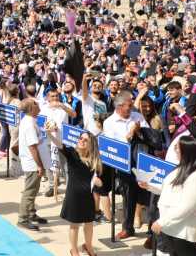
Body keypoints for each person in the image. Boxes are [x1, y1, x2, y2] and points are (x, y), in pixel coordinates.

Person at [46, 123, 103, 256]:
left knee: (89, 223)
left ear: (91, 145)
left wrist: (98, 182)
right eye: (80, 138)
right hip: (74, 196)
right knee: (74, 225)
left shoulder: (94, 160)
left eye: (85, 140)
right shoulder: (72, 153)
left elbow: (98, 180)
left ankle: (88, 246)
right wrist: (49, 134)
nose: (81, 141)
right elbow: (59, 144)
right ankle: (74, 250)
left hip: (87, 196)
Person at [145, 136, 196, 256]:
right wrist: (149, 186)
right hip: (170, 228)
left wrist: (162, 222)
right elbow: (168, 190)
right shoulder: (178, 169)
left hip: (182, 231)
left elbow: (186, 207)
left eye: (177, 147)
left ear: (186, 151)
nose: (174, 149)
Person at [102, 91, 148, 239]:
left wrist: (140, 131)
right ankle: (127, 228)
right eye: (129, 104)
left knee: (147, 196)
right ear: (120, 106)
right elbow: (114, 147)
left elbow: (149, 135)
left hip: (142, 163)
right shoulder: (109, 122)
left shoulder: (137, 116)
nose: (132, 107)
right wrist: (130, 133)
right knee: (128, 197)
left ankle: (151, 231)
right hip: (124, 167)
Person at [17, 98, 50, 231]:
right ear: (31, 108)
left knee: (34, 189)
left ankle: (31, 213)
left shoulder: (30, 121)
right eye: (35, 103)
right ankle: (23, 218)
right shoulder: (29, 124)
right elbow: (33, 147)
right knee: (30, 191)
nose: (38, 104)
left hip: (32, 162)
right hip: (32, 164)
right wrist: (40, 165)